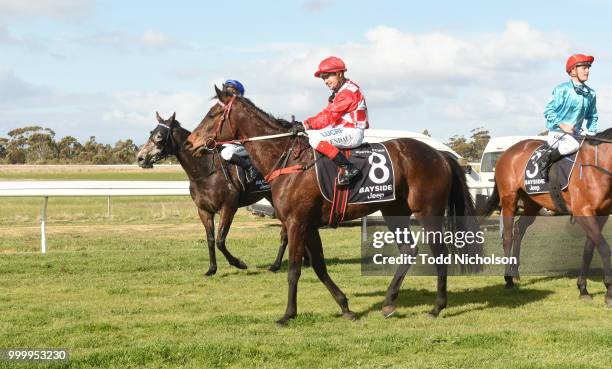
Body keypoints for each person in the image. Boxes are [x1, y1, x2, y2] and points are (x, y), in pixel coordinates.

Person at [293, 56, 368, 186]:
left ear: (339, 73)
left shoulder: (347, 92)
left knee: (315, 139)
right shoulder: (341, 91)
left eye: (327, 77)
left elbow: (328, 116)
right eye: (323, 78)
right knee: (309, 135)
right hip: (343, 130)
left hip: (352, 132)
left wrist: (305, 124)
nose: (325, 81)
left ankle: (348, 168)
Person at [541, 53, 598, 180]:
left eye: (588, 68)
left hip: (576, 134)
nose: (587, 71)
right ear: (573, 70)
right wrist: (562, 125)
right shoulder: (562, 89)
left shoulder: (591, 93)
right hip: (557, 133)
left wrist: (592, 133)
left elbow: (593, 115)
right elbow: (548, 111)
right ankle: (545, 161)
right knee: (573, 146)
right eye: (584, 68)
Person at [217, 79, 259, 184]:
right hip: (230, 144)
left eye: (229, 89)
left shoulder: (243, 111)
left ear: (237, 93)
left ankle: (250, 166)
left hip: (244, 145)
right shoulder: (224, 110)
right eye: (225, 88)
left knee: (226, 153)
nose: (226, 91)